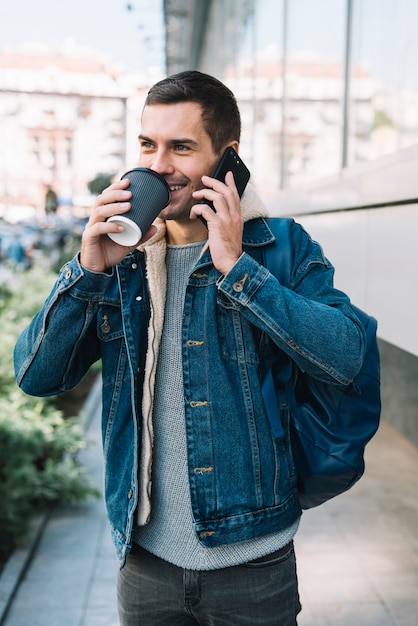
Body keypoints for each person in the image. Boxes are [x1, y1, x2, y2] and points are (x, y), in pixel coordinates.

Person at [14, 70, 365, 625]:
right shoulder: (117, 262)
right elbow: (36, 377)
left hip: (253, 567)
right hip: (146, 568)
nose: (158, 165)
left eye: (181, 147)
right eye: (148, 145)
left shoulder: (281, 247)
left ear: (227, 159)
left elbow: (346, 355)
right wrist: (85, 270)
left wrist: (239, 270)